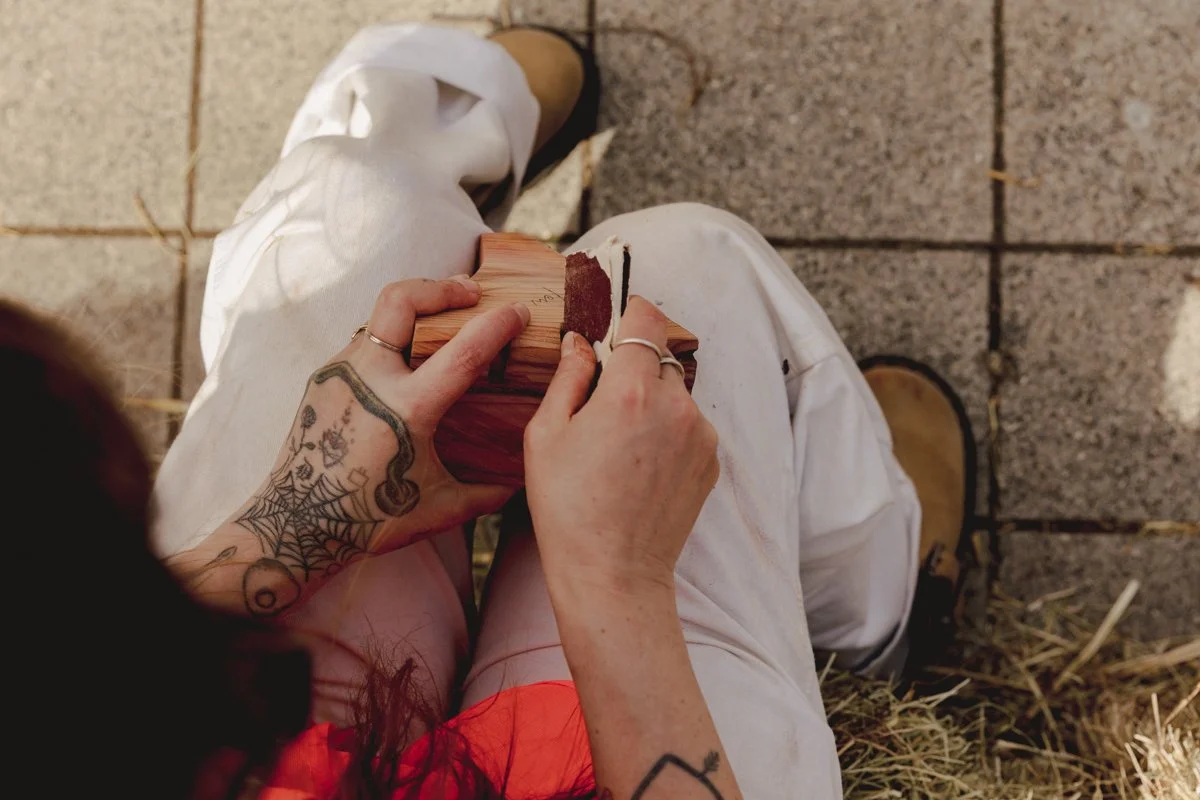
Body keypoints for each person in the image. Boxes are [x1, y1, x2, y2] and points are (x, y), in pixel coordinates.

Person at [6, 23, 973, 800]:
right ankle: (872, 622)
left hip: (236, 740)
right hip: (620, 759)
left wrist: (289, 526)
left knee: (357, 208)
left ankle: (444, 131)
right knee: (688, 264)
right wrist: (614, 585)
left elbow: (56, 681)